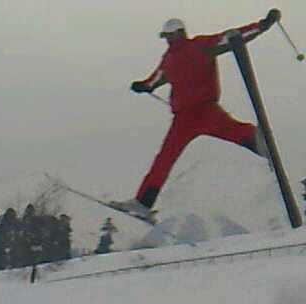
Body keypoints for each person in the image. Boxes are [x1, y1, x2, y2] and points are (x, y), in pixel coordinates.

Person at [112, 9, 282, 220]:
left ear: (180, 33)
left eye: (169, 36)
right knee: (165, 157)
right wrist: (145, 85)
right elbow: (158, 78)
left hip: (205, 109)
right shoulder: (169, 58)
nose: (167, 41)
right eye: (165, 38)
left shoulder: (201, 45)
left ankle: (263, 146)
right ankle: (143, 203)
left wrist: (262, 25)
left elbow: (232, 37)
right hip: (183, 117)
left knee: (232, 132)